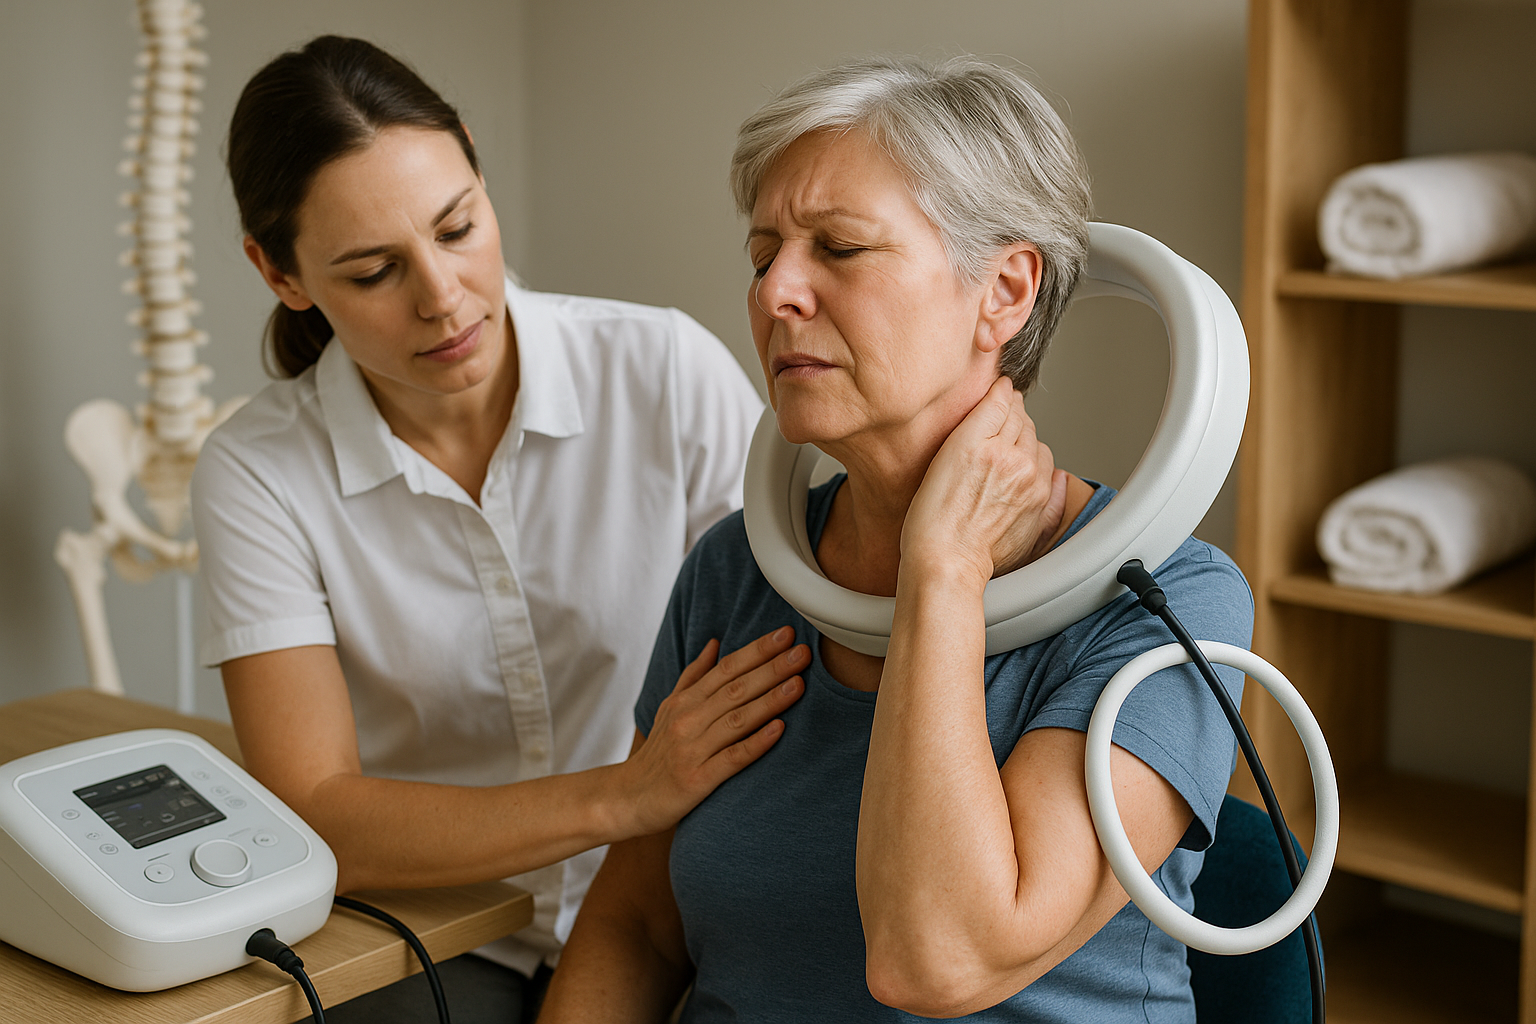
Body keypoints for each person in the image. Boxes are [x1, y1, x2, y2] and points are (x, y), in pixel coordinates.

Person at [538, 55, 1253, 1023]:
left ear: (1004, 291)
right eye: (762, 254)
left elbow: (936, 966)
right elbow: (636, 926)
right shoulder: (736, 570)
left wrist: (945, 575)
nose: (776, 292)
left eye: (837, 247)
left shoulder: (1172, 599)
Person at [189, 36, 809, 1023]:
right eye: (371, 271)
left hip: (681, 908)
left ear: (477, 163)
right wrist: (625, 792)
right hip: (438, 932)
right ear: (281, 273)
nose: (442, 298)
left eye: (458, 226)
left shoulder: (664, 375)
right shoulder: (256, 471)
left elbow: (788, 676)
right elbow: (316, 810)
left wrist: (650, 820)